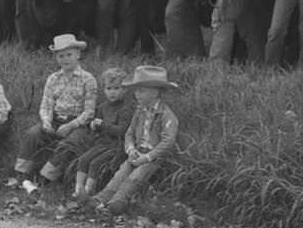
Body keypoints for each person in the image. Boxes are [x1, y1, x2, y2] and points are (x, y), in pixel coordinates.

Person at [92, 64, 181, 216]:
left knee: (135, 176)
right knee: (121, 173)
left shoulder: (167, 115)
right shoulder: (139, 111)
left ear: (155, 92)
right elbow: (129, 133)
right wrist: (131, 149)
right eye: (136, 91)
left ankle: (118, 202)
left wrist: (147, 157)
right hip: (137, 152)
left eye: (141, 90)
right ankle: (101, 199)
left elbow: (167, 141)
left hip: (153, 156)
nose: (136, 94)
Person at [13, 32, 99, 184]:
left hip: (77, 123)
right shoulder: (53, 78)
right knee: (32, 134)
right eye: (61, 56)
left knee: (69, 144)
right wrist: (46, 121)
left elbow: (89, 112)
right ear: (56, 58)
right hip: (56, 119)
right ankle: (22, 174)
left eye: (69, 55)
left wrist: (71, 125)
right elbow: (46, 105)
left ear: (78, 54)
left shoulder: (88, 79)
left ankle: (46, 177)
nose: (65, 59)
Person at [66, 66, 134, 205]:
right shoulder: (103, 107)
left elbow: (121, 130)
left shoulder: (126, 109)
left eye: (116, 88)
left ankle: (88, 191)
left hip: (116, 145)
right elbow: (96, 123)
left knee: (95, 163)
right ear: (104, 90)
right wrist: (94, 126)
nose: (112, 92)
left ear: (124, 89)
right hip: (102, 143)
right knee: (83, 159)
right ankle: (78, 191)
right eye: (109, 89)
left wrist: (102, 125)